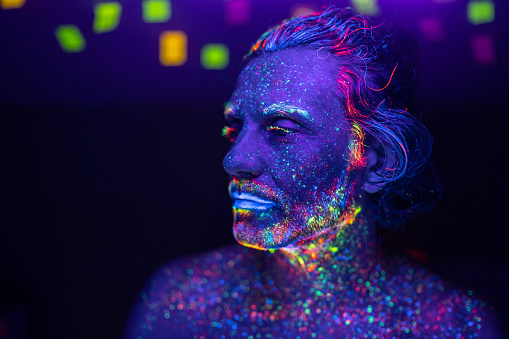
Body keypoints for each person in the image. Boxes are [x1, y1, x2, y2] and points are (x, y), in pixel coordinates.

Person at [125, 7, 500, 338]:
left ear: (377, 160)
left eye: (282, 130)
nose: (235, 160)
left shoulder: (450, 325)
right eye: (235, 129)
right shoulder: (180, 302)